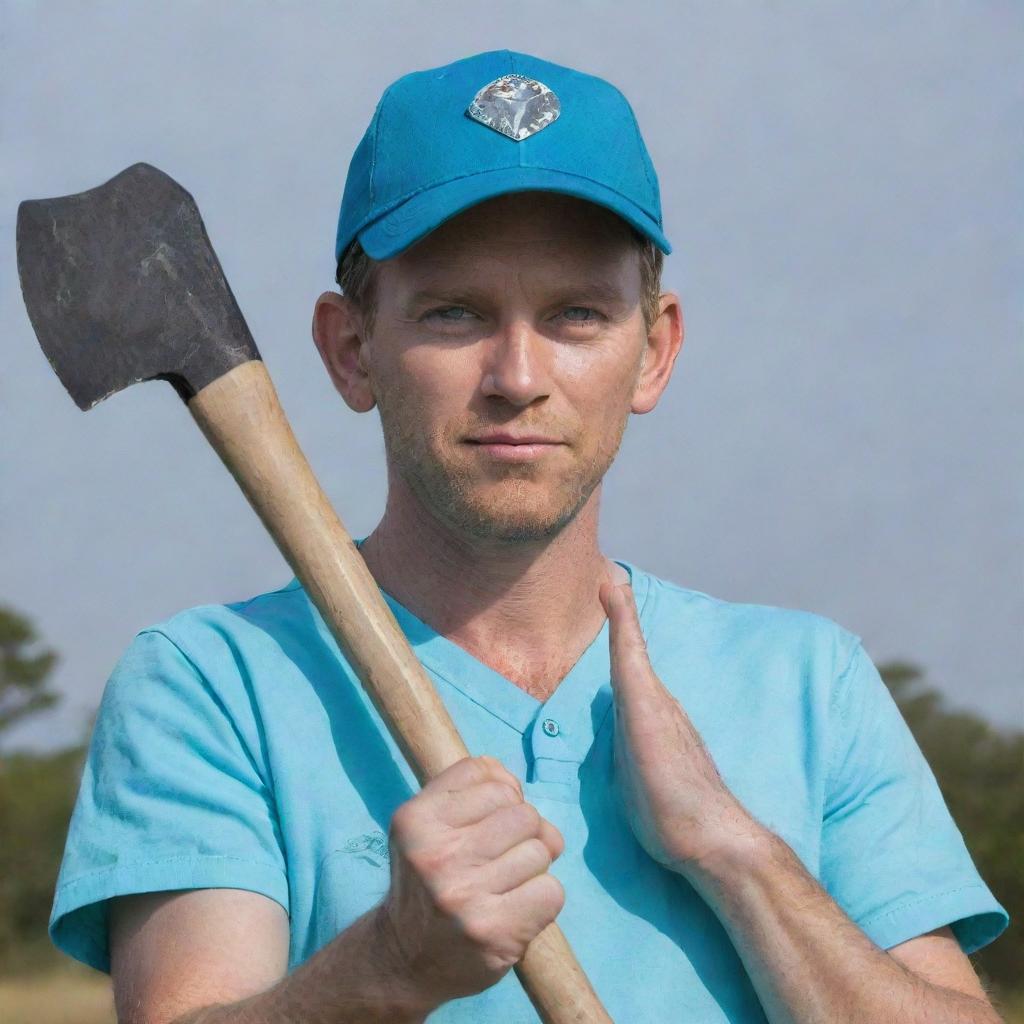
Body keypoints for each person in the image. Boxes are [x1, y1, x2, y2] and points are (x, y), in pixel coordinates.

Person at [48, 49, 1008, 1023]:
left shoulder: (809, 684)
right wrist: (387, 965)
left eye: (576, 314)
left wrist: (737, 852)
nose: (517, 374)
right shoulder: (210, 684)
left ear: (655, 350)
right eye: (455, 312)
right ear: (350, 350)